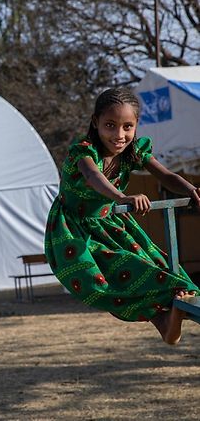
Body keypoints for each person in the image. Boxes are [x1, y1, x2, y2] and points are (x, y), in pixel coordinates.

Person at [44, 87, 200, 345]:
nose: (119, 135)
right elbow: (94, 177)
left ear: (136, 125)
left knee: (149, 265)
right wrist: (122, 198)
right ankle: (163, 318)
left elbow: (167, 176)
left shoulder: (135, 151)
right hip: (74, 227)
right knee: (108, 280)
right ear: (95, 123)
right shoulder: (84, 153)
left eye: (128, 126)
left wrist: (192, 190)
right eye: (110, 125)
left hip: (108, 223)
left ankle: (165, 321)